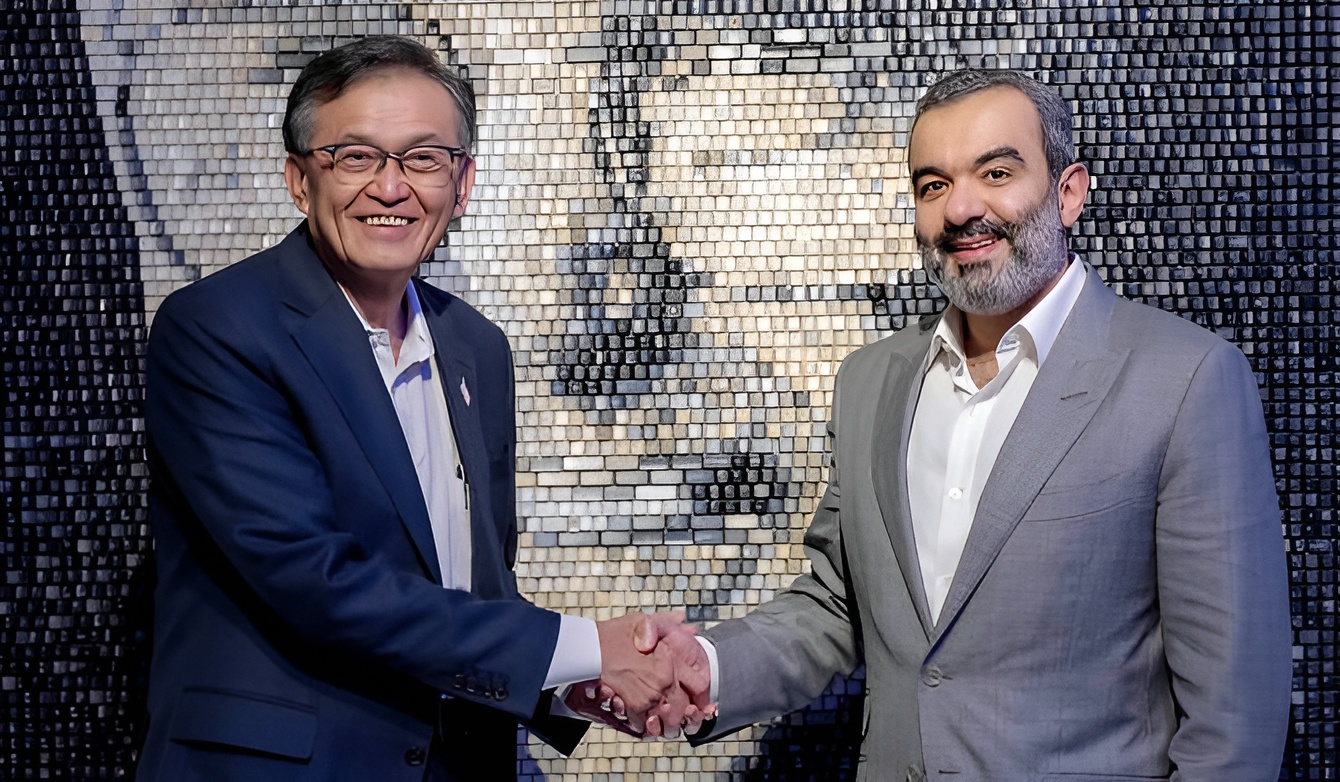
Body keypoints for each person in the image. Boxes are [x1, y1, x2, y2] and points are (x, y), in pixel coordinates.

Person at [622, 68, 1294, 780]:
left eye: (996, 171)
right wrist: (708, 666)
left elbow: (1234, 717)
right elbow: (837, 604)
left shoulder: (1185, 380)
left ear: (1069, 193)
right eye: (933, 184)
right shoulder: (871, 382)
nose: (961, 208)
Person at [137, 36, 695, 782]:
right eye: (357, 157)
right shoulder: (217, 327)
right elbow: (314, 578)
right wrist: (593, 644)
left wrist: (569, 685)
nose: (391, 187)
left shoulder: (476, 347)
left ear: (461, 186)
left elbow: (475, 588)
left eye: (424, 158)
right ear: (301, 181)